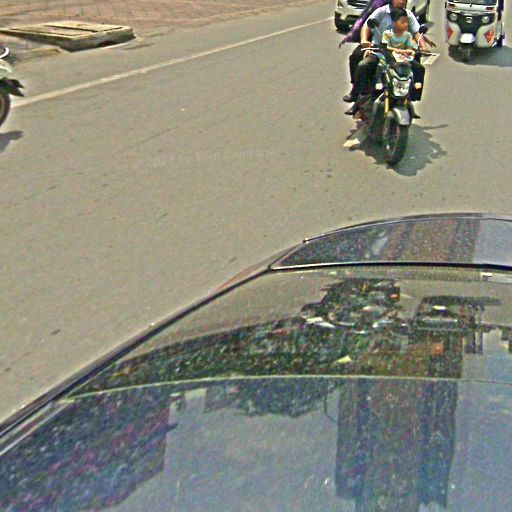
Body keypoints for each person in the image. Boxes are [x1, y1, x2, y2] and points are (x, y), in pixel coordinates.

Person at [342, 0, 435, 116]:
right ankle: (359, 99)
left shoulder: (408, 15)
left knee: (419, 69)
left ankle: (409, 100)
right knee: (363, 65)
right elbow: (366, 26)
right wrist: (364, 41)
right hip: (380, 51)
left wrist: (423, 47)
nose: (401, 1)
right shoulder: (381, 11)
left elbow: (417, 32)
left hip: (401, 55)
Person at [352, 8, 418, 105]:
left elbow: (410, 47)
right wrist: (399, 51)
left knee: (417, 69)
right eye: (402, 22)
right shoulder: (387, 34)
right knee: (366, 65)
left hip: (401, 61)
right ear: (394, 23)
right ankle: (364, 95)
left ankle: (411, 94)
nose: (405, 24)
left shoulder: (408, 36)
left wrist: (411, 52)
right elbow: (386, 47)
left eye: (406, 22)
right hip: (386, 58)